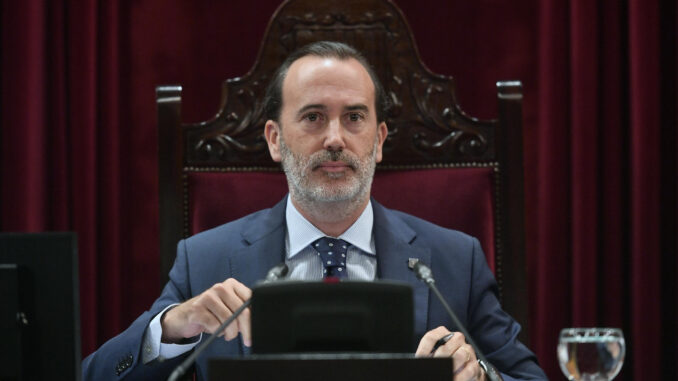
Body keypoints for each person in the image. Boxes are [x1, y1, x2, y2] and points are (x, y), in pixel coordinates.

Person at [82, 41, 547, 381]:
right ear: (274, 140)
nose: (334, 139)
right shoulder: (204, 259)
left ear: (379, 141)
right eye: (312, 117)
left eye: (354, 117)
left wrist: (481, 375)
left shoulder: (453, 260)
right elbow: (94, 376)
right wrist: (170, 327)